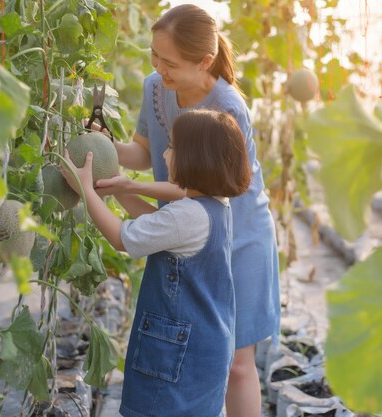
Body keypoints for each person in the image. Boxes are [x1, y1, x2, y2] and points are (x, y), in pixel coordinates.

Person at [95, 4, 281, 416]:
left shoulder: (228, 106)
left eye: (171, 62)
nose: (160, 68)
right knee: (191, 351)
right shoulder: (154, 87)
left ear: (205, 61)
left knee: (236, 363)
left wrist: (130, 190)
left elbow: (213, 191)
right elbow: (142, 153)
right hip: (187, 229)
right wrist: (102, 146)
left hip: (239, 233)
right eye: (154, 56)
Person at [62, 110, 251, 417]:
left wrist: (86, 192)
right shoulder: (214, 205)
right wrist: (122, 191)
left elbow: (122, 238)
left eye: (172, 147)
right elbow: (158, 222)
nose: (164, 153)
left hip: (175, 354)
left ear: (195, 160)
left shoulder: (186, 216)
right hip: (205, 347)